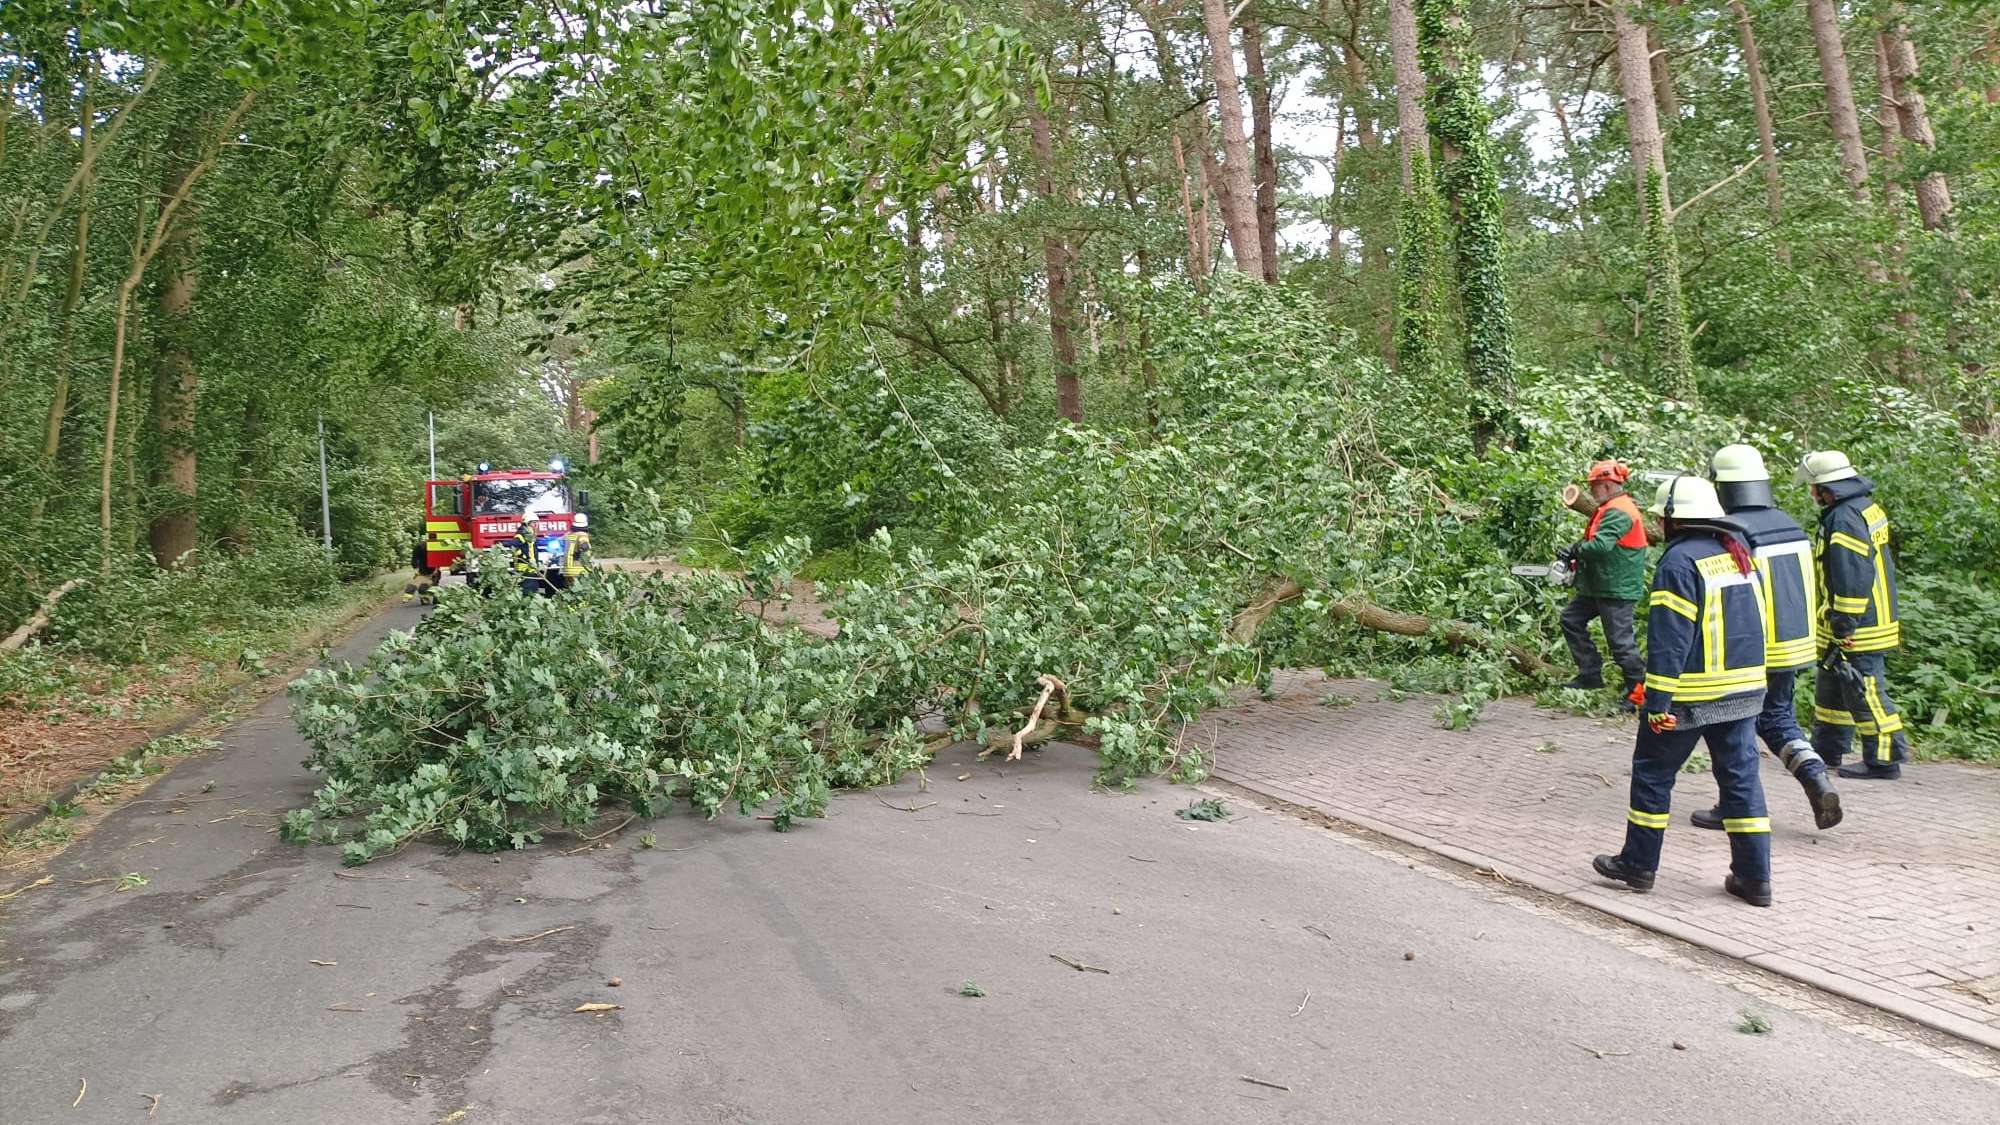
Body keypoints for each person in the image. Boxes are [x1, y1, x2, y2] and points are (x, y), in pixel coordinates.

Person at [1593, 476, 1775, 908]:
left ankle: (1638, 865)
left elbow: (1669, 642)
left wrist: (1657, 701)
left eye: (1661, 516)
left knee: (1653, 776)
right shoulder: (1738, 552)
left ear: (1674, 519)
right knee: (1741, 782)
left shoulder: (1678, 563)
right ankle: (1755, 879)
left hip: (1691, 696)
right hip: (1744, 691)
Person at [1690, 445, 1841, 831]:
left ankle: (1733, 806)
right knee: (1776, 718)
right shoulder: (1789, 524)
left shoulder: (1733, 531)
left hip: (1751, 646)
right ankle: (1814, 774)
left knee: (1730, 727)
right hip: (1794, 644)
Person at [1798, 451, 1907, 780]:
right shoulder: (1864, 507)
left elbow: (1850, 574)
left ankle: (1885, 759)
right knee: (1833, 682)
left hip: (1859, 622)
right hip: (1865, 616)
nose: (1813, 494)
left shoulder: (1843, 518)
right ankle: (1827, 748)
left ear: (1827, 489)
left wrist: (1844, 623)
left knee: (1863, 687)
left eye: (1815, 488)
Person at [1557, 460, 1650, 709]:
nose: (1592, 491)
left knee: (1620, 642)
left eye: (1595, 486)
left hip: (1616, 587)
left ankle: (1638, 692)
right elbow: (1597, 539)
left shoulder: (1620, 510)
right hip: (1599, 585)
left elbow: (1600, 546)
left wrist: (1577, 549)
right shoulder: (1610, 507)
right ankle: (1590, 673)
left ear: (1607, 485)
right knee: (1571, 619)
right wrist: (1575, 548)